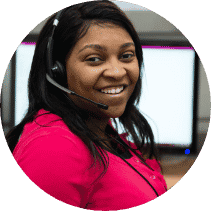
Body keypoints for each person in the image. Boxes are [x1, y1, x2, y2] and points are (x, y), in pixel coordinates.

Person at [5, 0, 167, 210]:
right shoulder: (53, 148)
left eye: (126, 56)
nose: (117, 72)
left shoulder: (99, 129)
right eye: (94, 59)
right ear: (57, 71)